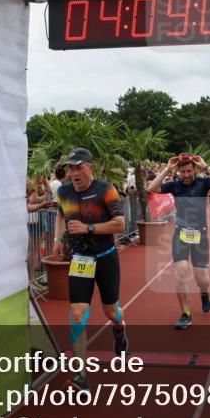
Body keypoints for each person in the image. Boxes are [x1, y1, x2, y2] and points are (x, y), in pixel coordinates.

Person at [52, 147, 127, 390]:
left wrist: (88, 228)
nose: (74, 173)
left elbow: (120, 225)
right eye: (70, 168)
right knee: (76, 315)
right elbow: (61, 216)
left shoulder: (105, 189)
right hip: (80, 260)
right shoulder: (63, 192)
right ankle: (81, 376)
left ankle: (119, 331)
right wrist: (56, 241)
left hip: (105, 258)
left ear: (90, 168)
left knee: (111, 312)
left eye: (78, 167)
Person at [148, 153, 210, 329]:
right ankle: (186, 314)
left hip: (200, 235)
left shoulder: (204, 183)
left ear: (194, 170)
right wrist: (167, 169)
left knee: (202, 279)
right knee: (181, 271)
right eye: (182, 172)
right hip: (181, 234)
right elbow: (152, 189)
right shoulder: (175, 186)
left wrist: (205, 166)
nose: (186, 175)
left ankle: (204, 293)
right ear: (179, 171)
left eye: (189, 171)